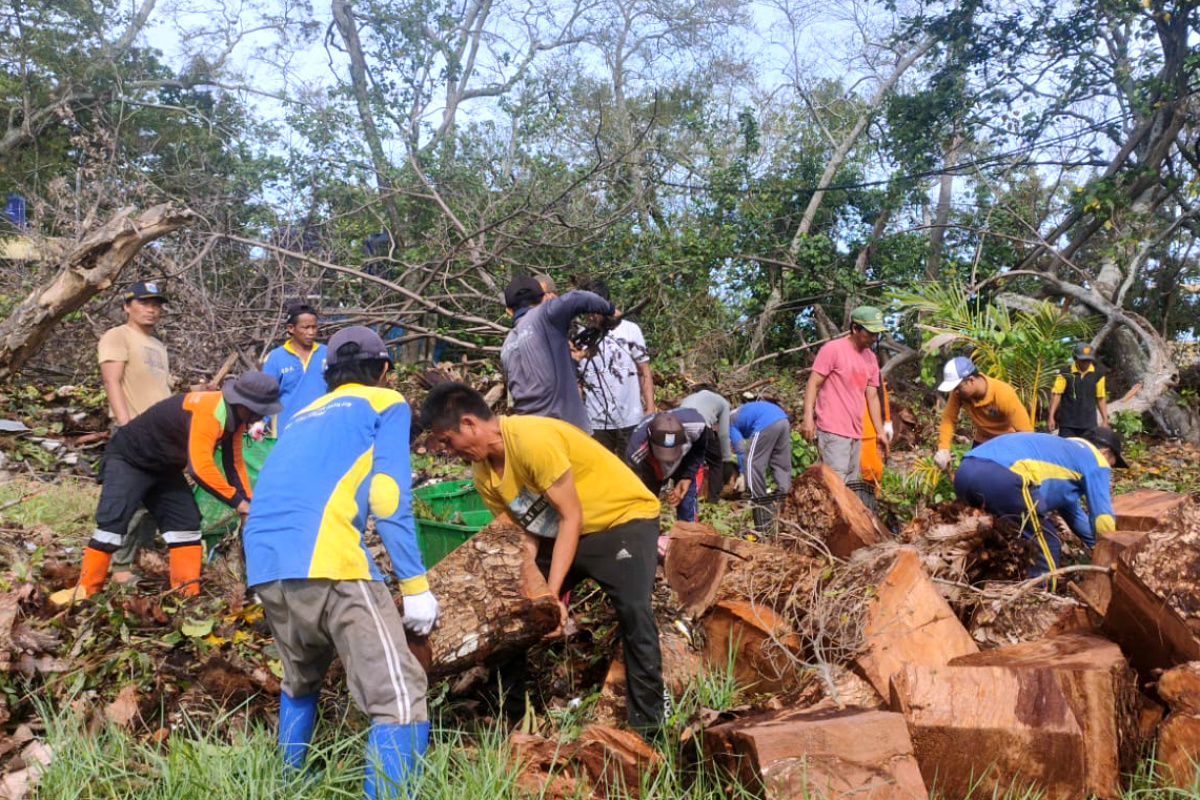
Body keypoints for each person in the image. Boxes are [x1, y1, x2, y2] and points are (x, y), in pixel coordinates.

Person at [244, 327, 435, 798]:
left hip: (265, 562)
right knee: (399, 697)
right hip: (330, 562)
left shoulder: (300, 415)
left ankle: (290, 783)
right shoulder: (386, 402)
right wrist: (415, 587)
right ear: (384, 370)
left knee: (300, 678)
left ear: (327, 375)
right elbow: (387, 497)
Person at [420, 382, 664, 737]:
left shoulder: (531, 440)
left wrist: (551, 594)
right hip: (562, 531)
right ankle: (511, 716)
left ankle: (649, 730)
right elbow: (524, 531)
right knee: (511, 607)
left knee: (634, 612)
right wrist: (532, 593)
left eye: (447, 440)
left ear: (469, 424)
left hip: (621, 520)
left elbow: (570, 516)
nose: (448, 451)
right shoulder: (483, 474)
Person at [50, 372, 282, 605]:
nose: (260, 416)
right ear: (244, 405)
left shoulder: (236, 420)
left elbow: (234, 463)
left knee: (186, 523)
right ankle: (86, 593)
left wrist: (247, 502)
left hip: (164, 468)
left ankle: (186, 597)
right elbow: (200, 468)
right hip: (129, 460)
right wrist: (238, 502)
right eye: (259, 410)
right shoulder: (209, 412)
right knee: (112, 523)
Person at [954, 429, 1126, 579]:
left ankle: (969, 583)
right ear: (1105, 452)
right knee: (1047, 546)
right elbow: (1102, 517)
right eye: (1112, 463)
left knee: (989, 541)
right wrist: (1111, 555)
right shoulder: (1096, 459)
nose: (1110, 469)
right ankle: (1040, 598)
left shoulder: (1063, 453)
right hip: (1004, 476)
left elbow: (1074, 516)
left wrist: (1095, 544)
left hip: (965, 469)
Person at [97, 280, 172, 584]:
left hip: (160, 435)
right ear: (127, 306)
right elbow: (112, 380)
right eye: (144, 303)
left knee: (155, 501)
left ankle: (142, 557)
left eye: (156, 305)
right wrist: (125, 425)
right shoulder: (118, 336)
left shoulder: (158, 346)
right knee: (128, 500)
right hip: (134, 430)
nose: (151, 310)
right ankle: (120, 568)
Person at [500, 276, 617, 434]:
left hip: (533, 435)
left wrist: (574, 358)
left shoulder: (506, 347)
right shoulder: (544, 314)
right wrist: (610, 310)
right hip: (567, 433)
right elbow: (578, 297)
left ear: (508, 311)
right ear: (544, 298)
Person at [801, 306, 889, 484]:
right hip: (833, 429)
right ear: (855, 328)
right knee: (836, 484)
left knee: (851, 485)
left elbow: (872, 397)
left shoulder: (870, 358)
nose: (874, 338)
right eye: (870, 333)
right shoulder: (833, 350)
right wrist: (808, 418)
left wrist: (880, 432)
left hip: (856, 431)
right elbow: (813, 383)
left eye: (877, 334)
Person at [576, 278, 655, 455]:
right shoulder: (581, 338)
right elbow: (578, 382)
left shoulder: (630, 330)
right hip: (596, 423)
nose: (590, 317)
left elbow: (644, 371)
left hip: (630, 419)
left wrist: (650, 409)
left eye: (595, 311)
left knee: (633, 467)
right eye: (587, 312)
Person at [934, 357, 1033, 470]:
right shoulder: (958, 394)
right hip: (983, 440)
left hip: (1007, 440)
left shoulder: (1003, 394)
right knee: (969, 472)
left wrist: (1028, 458)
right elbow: (948, 418)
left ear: (971, 380)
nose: (955, 392)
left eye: (957, 388)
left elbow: (1025, 431)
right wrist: (943, 449)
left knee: (1002, 475)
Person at [625, 409, 712, 522]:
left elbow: (698, 449)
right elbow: (633, 487)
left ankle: (687, 527)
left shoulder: (696, 426)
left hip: (684, 459)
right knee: (647, 505)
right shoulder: (636, 450)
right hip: (650, 466)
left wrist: (687, 477)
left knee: (687, 500)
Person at [262, 303, 328, 436]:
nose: (311, 332)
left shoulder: (327, 354)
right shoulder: (275, 358)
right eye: (305, 327)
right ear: (291, 328)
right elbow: (266, 396)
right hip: (286, 433)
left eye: (314, 327)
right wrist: (260, 422)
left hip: (322, 431)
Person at [730, 399, 793, 534]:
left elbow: (740, 449)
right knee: (781, 465)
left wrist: (742, 474)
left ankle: (761, 512)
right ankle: (787, 506)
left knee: (752, 462)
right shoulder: (739, 413)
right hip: (783, 419)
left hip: (766, 421)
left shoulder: (728, 422)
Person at [679, 385, 737, 502]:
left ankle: (677, 494)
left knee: (684, 461)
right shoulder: (722, 402)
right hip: (701, 425)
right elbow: (723, 434)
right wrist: (726, 459)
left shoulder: (688, 399)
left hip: (678, 425)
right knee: (716, 462)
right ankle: (713, 500)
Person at [1048, 343, 1109, 438]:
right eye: (1083, 360)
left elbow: (1100, 398)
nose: (1086, 363)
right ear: (1075, 359)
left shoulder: (1098, 374)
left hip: (1089, 424)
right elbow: (1057, 394)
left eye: (1088, 360)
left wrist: (1105, 420)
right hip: (1068, 424)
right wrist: (1051, 416)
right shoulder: (1065, 373)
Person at [858, 380, 894, 508]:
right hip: (852, 429)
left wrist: (887, 421)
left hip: (870, 430)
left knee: (874, 472)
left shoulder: (873, 372)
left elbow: (880, 393)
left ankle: (870, 508)